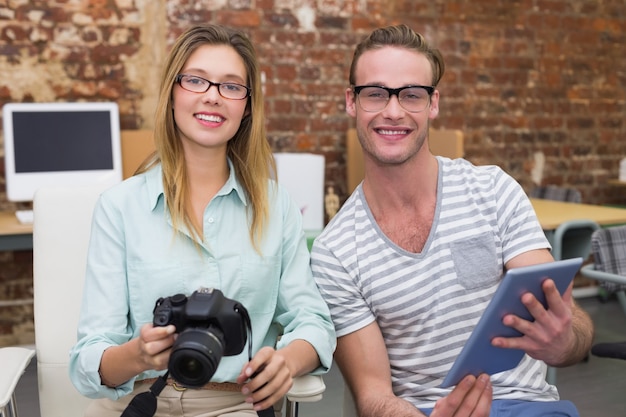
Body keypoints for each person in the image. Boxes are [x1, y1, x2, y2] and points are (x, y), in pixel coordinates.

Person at [311, 24, 593, 417]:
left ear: (433, 104)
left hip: (529, 408)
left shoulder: (494, 191)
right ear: (351, 101)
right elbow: (373, 396)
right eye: (375, 94)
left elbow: (572, 326)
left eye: (411, 95)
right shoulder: (334, 252)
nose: (393, 111)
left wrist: (563, 343)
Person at [69, 24, 335, 417]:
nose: (212, 96)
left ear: (246, 106)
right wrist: (138, 354)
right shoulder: (119, 206)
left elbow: (312, 320)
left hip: (235, 403)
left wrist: (288, 362)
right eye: (196, 80)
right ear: (173, 93)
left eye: (231, 86)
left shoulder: (276, 207)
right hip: (138, 400)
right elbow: (88, 359)